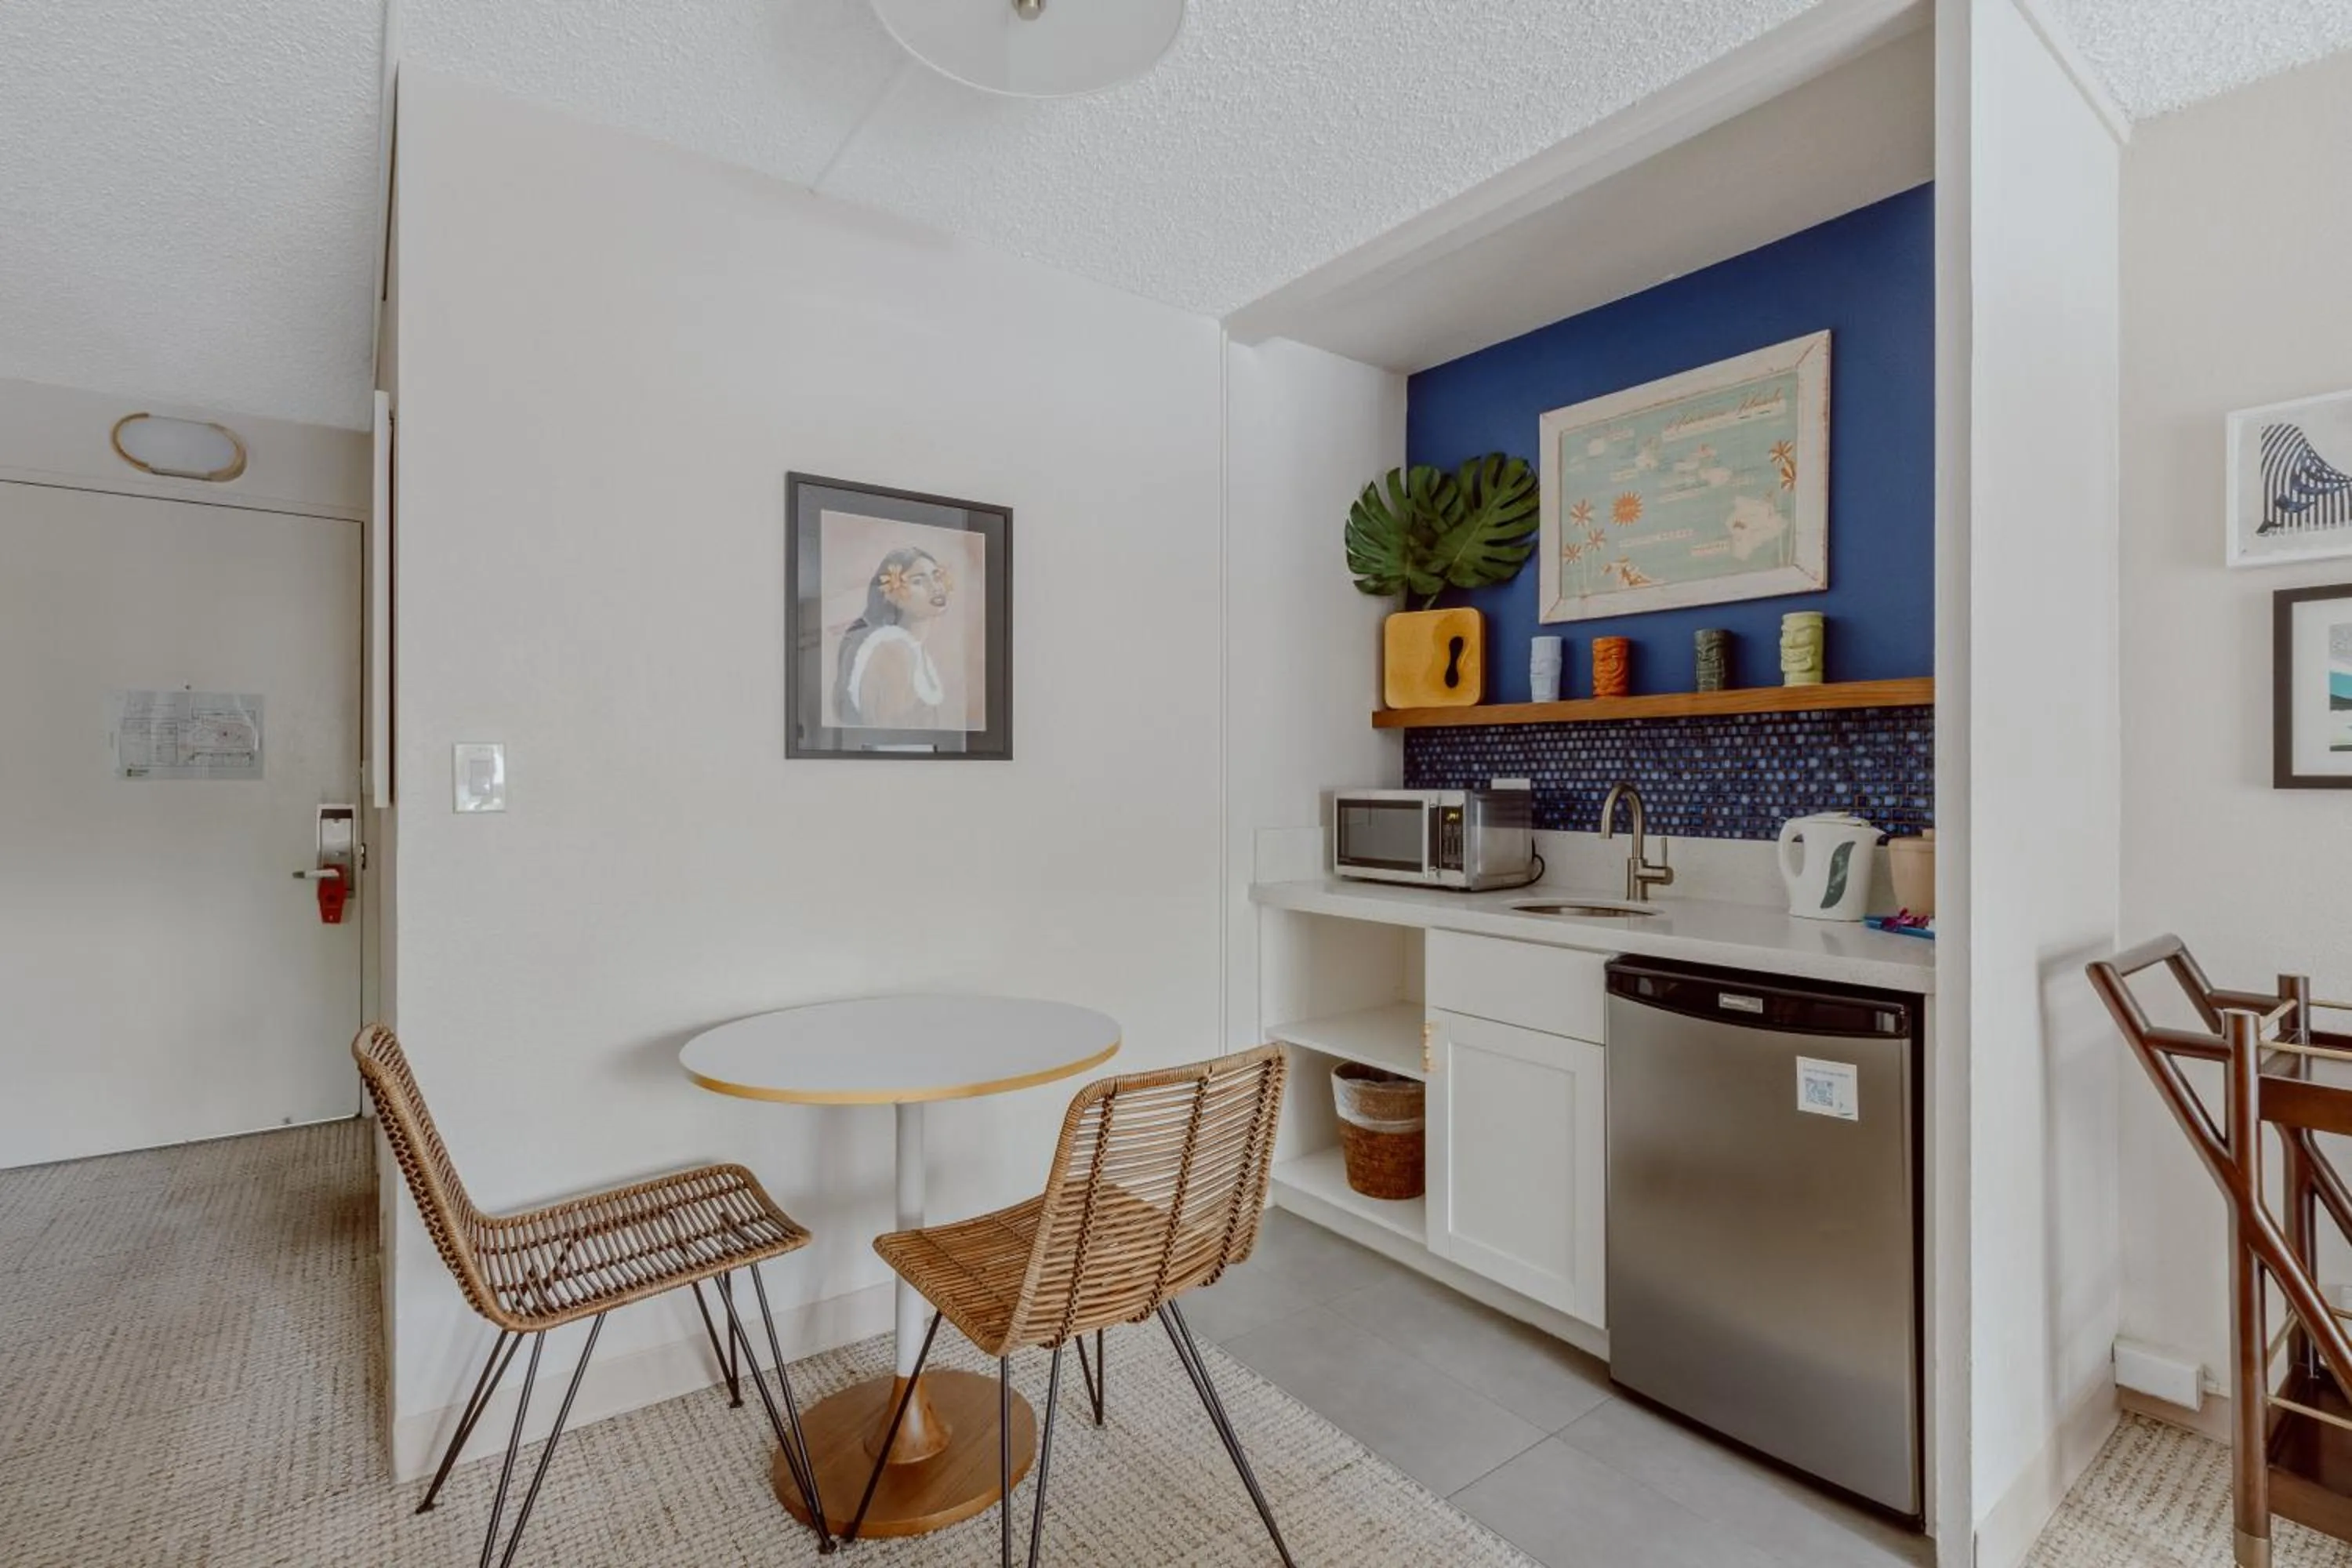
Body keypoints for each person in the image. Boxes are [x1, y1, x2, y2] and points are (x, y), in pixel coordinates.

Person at [834, 546, 953, 728]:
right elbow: (889, 734)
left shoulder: (911, 648)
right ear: (890, 594)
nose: (935, 587)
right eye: (918, 581)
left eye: (936, 576)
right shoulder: (893, 650)